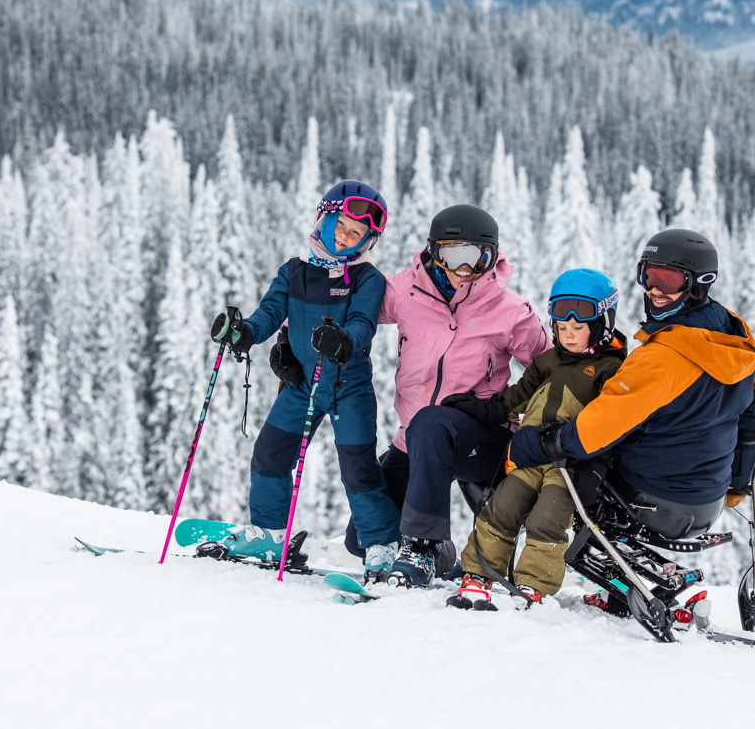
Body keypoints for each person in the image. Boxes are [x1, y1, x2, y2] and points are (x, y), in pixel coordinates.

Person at [507, 228, 755, 547]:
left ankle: (531, 537)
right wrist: (737, 484)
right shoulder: (728, 344)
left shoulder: (660, 358)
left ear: (699, 284)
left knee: (579, 455)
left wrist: (535, 443)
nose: (654, 290)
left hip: (652, 500)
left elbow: (591, 433)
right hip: (706, 504)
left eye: (669, 280)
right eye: (648, 276)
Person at [206, 180, 403, 576]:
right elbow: (269, 314)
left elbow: (364, 323)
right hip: (301, 388)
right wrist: (244, 332)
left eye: (357, 234)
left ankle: (382, 545)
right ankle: (270, 536)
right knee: (269, 455)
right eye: (342, 226)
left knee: (358, 467)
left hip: (350, 389)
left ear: (367, 242)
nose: (345, 237)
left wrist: (343, 340)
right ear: (325, 218)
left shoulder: (368, 278)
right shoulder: (294, 271)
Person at [356, 204, 549, 588]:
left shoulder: (509, 311)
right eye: (453, 255)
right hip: (417, 439)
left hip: (482, 436)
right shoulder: (405, 293)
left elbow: (550, 370)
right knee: (366, 534)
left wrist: (509, 411)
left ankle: (422, 547)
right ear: (433, 252)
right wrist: (290, 333)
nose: (466, 270)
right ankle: (442, 553)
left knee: (432, 420)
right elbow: (348, 302)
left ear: (493, 256)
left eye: (479, 257)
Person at [445, 268, 628, 611]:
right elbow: (515, 398)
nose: (569, 335)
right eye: (561, 328)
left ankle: (533, 584)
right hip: (530, 457)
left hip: (569, 467)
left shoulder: (611, 370)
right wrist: (481, 409)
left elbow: (611, 425)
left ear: (602, 324)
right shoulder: (548, 361)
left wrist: (597, 469)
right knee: (501, 508)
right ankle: (479, 573)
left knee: (548, 520)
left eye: (578, 328)